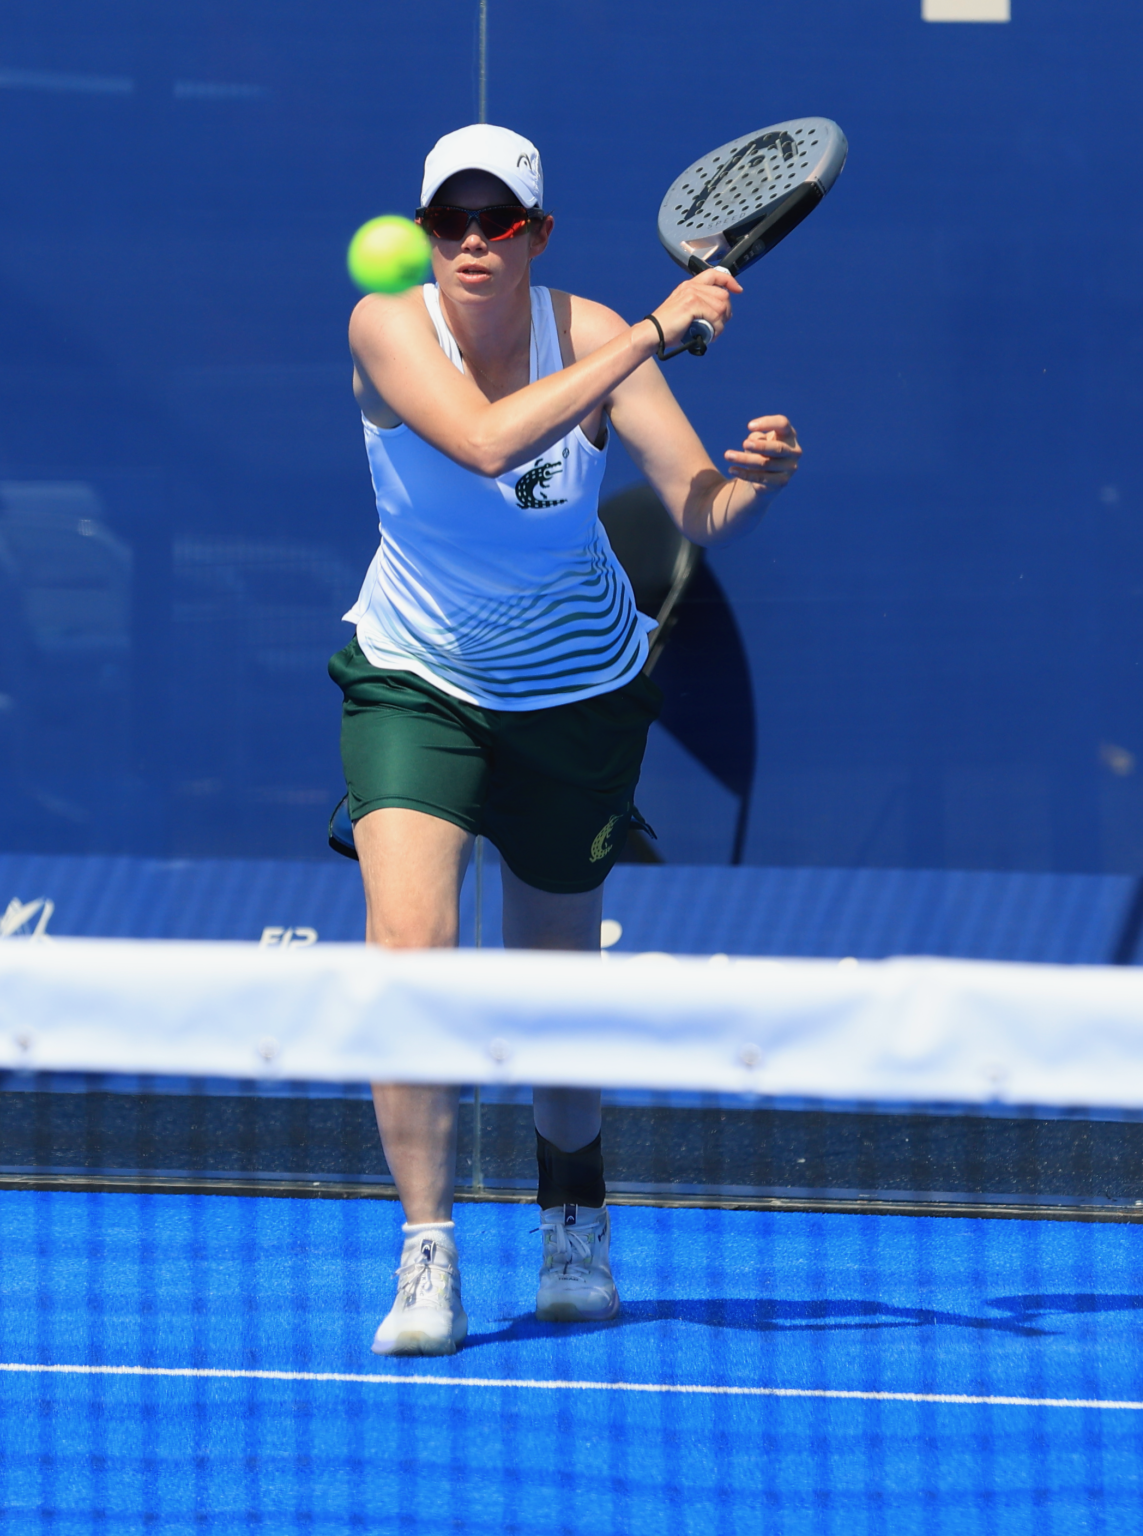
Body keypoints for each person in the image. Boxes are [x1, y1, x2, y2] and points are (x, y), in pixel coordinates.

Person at [330, 124, 801, 1356]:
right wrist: (656, 331)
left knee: (552, 980)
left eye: (497, 220)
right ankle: (427, 1250)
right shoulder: (385, 326)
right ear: (425, 233)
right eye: (450, 221)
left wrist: (754, 483)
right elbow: (487, 442)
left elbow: (699, 504)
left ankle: (573, 1221)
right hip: (416, 678)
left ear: (537, 234)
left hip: (574, 690)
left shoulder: (589, 333)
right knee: (407, 956)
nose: (471, 242)